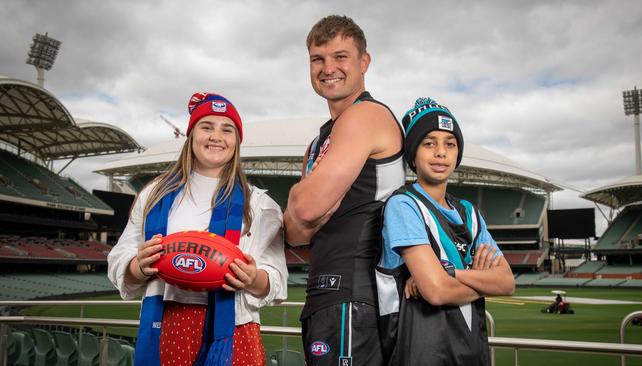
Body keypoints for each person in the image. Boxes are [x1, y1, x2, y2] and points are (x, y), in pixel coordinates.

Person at [107, 92, 288, 366]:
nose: (216, 136)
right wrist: (137, 266)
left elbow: (277, 281)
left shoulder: (261, 204)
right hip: (167, 324)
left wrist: (253, 278)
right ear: (191, 135)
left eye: (227, 129)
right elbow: (119, 260)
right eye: (206, 127)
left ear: (237, 142)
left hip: (234, 332)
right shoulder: (153, 194)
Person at [284, 15, 404, 366]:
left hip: (357, 292)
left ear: (364, 62)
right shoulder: (319, 141)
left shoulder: (365, 115)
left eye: (340, 56)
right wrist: (307, 206)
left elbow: (303, 209)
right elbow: (293, 233)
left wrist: (299, 199)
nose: (328, 68)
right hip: (327, 293)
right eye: (317, 59)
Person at [375, 97, 515, 366]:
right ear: (413, 153)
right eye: (429, 143)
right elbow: (436, 291)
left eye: (449, 144)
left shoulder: (469, 213)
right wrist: (481, 279)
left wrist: (451, 274)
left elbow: (507, 283)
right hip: (420, 352)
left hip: (471, 352)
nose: (441, 152)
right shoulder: (403, 205)